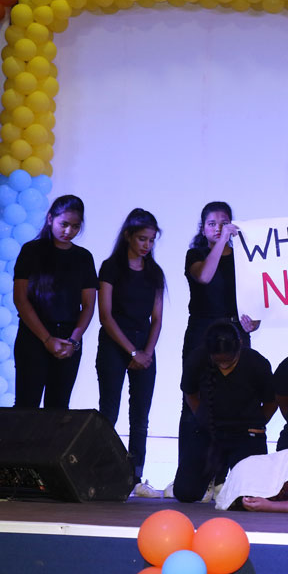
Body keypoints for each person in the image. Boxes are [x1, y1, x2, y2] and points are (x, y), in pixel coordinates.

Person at [170, 201, 259, 499]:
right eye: (212, 224)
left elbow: (256, 297)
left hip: (235, 334)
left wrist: (254, 322)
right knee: (193, 402)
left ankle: (223, 478)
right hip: (202, 332)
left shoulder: (245, 258)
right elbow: (205, 277)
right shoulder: (195, 255)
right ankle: (188, 475)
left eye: (224, 223)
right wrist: (222, 241)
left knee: (233, 402)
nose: (219, 228)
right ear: (202, 227)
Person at [96, 209, 165, 497]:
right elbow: (105, 315)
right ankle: (101, 471)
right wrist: (132, 351)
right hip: (115, 343)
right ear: (128, 236)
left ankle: (135, 476)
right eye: (142, 239)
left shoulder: (154, 272)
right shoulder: (111, 267)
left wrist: (146, 352)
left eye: (151, 240)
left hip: (144, 346)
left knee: (140, 417)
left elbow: (157, 318)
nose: (146, 245)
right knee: (108, 412)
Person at [175, 321, 277, 503]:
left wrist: (257, 423)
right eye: (218, 361)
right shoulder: (197, 359)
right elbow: (190, 393)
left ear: (240, 345)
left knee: (249, 498)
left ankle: (229, 482)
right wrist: (203, 417)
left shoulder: (257, 363)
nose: (223, 365)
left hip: (246, 435)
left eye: (229, 361)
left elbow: (271, 401)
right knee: (184, 493)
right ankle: (212, 479)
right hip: (210, 433)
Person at [13, 195, 97, 408]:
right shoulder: (31, 251)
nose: (68, 231)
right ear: (50, 219)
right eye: (64, 224)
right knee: (26, 406)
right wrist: (47, 339)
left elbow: (88, 305)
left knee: (59, 408)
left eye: (75, 226)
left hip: (69, 339)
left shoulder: (84, 257)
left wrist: (74, 341)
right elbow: (20, 299)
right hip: (34, 335)